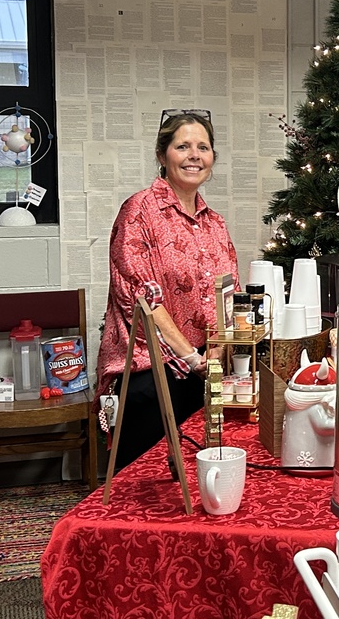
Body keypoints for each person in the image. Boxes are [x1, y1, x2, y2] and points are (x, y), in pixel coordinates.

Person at [97, 109, 239, 470]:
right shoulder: (138, 212)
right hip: (152, 365)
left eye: (203, 147)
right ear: (162, 156)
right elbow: (140, 298)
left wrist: (217, 352)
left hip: (206, 364)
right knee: (147, 478)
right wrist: (192, 358)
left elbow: (228, 293)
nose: (195, 155)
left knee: (209, 464)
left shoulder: (215, 223)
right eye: (183, 146)